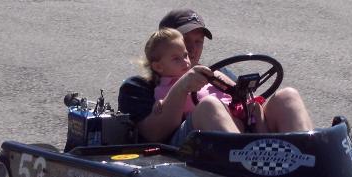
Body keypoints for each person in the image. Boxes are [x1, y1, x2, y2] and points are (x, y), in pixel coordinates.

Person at [118, 9, 313, 144]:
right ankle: (250, 166)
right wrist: (182, 87)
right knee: (209, 105)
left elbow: (247, 105)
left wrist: (252, 107)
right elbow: (153, 135)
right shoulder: (139, 86)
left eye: (198, 41)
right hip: (183, 151)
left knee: (288, 96)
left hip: (240, 132)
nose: (192, 49)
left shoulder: (217, 73)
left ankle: (311, 160)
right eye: (185, 41)